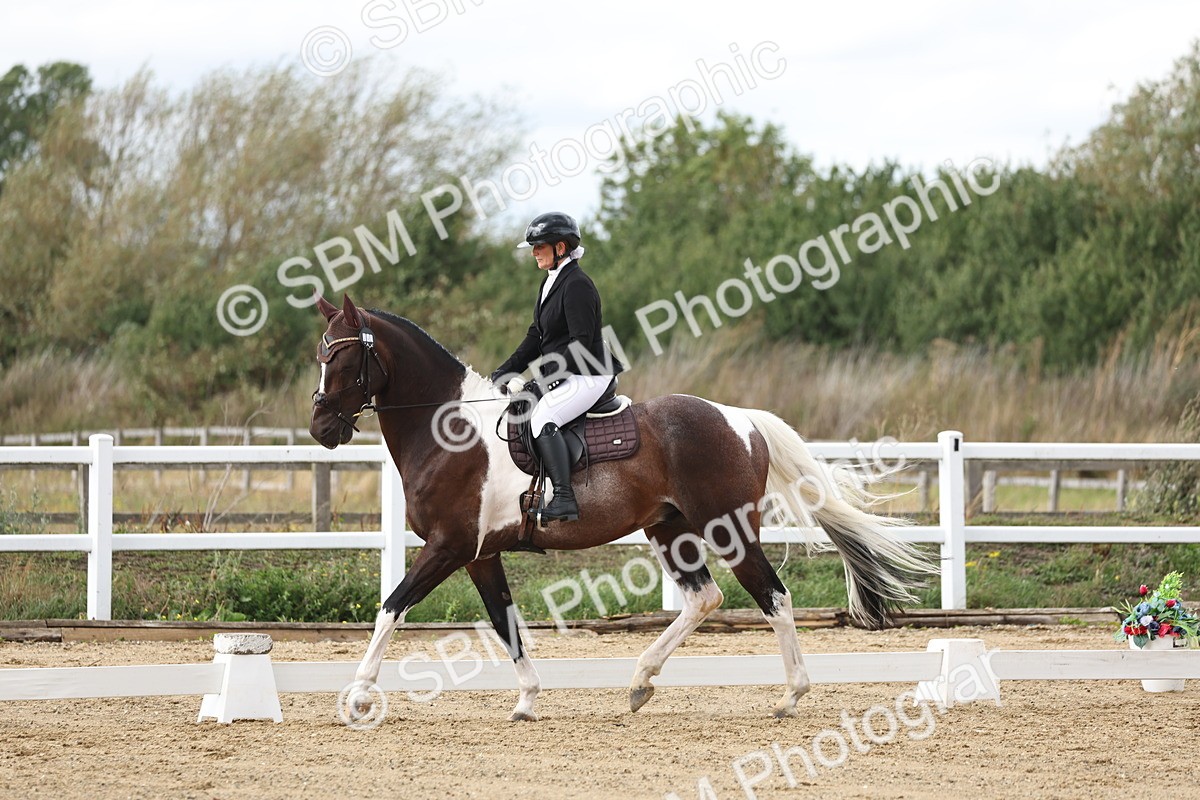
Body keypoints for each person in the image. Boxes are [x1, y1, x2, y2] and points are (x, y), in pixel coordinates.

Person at [490, 212, 622, 522]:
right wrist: (506, 371)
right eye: (533, 247)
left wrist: (541, 381)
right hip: (571, 370)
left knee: (542, 417)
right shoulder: (552, 281)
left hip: (589, 372)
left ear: (560, 248)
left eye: (539, 246)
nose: (534, 252)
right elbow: (537, 336)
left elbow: (580, 343)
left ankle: (564, 497)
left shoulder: (577, 285)